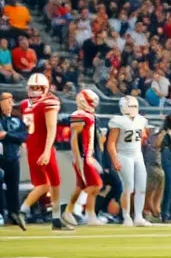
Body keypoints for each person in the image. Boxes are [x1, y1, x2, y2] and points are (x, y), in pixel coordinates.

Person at [15, 74, 65, 229]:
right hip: (43, 147)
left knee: (52, 182)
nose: (36, 91)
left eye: (38, 88)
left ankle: (56, 218)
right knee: (47, 184)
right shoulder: (49, 102)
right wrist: (47, 151)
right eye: (34, 88)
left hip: (32, 147)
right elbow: (51, 129)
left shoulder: (25, 104)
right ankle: (23, 210)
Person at [106, 95, 150, 226]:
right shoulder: (118, 121)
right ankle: (126, 216)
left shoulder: (141, 120)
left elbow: (142, 136)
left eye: (135, 106)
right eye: (130, 106)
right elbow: (111, 143)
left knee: (141, 187)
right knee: (128, 187)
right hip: (124, 155)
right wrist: (115, 159)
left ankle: (138, 216)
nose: (133, 108)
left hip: (137, 155)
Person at [65, 89, 104, 226]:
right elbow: (74, 139)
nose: (93, 104)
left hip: (87, 156)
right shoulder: (79, 115)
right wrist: (79, 158)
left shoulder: (89, 116)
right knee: (96, 185)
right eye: (91, 101)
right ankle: (72, 210)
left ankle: (87, 214)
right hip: (82, 157)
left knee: (81, 186)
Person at [0, 91, 28, 227]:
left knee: (13, 187)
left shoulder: (17, 121)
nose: (10, 104)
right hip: (1, 157)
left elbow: (23, 136)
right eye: (7, 101)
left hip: (13, 157)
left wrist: (7, 135)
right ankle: (1, 214)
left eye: (11, 101)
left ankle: (14, 214)